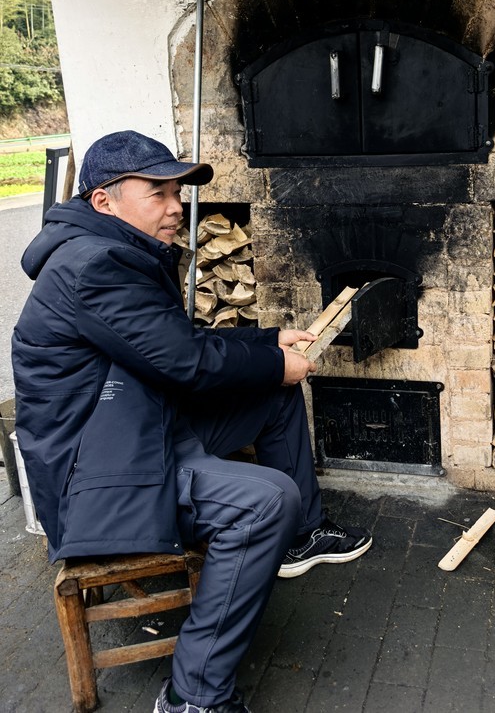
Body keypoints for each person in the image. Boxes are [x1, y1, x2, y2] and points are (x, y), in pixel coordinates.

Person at [11, 130, 372, 713]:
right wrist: (274, 362)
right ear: (104, 200)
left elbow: (167, 343)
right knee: (265, 501)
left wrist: (268, 344)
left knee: (272, 396)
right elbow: (184, 362)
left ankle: (301, 537)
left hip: (134, 426)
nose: (176, 206)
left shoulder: (108, 248)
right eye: (157, 193)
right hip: (98, 472)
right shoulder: (95, 265)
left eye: (176, 192)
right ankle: (193, 695)